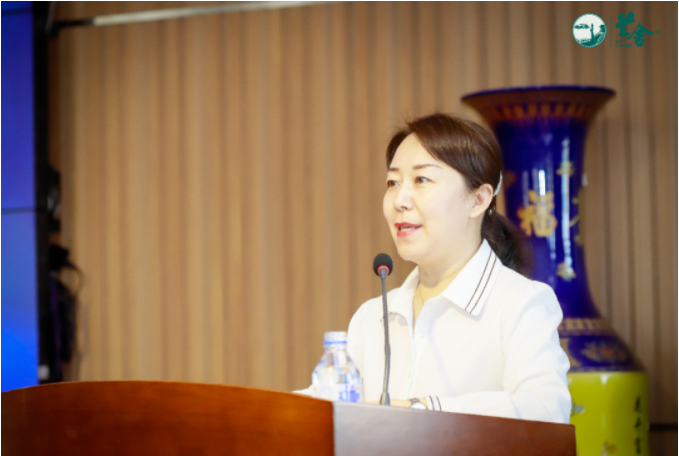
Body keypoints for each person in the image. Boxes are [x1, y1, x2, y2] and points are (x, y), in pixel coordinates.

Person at [300, 113, 571, 424]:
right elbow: (332, 408)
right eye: (393, 182)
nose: (400, 200)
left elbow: (546, 411)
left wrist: (421, 411)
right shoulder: (371, 317)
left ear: (478, 199)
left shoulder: (521, 302)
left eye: (421, 180)